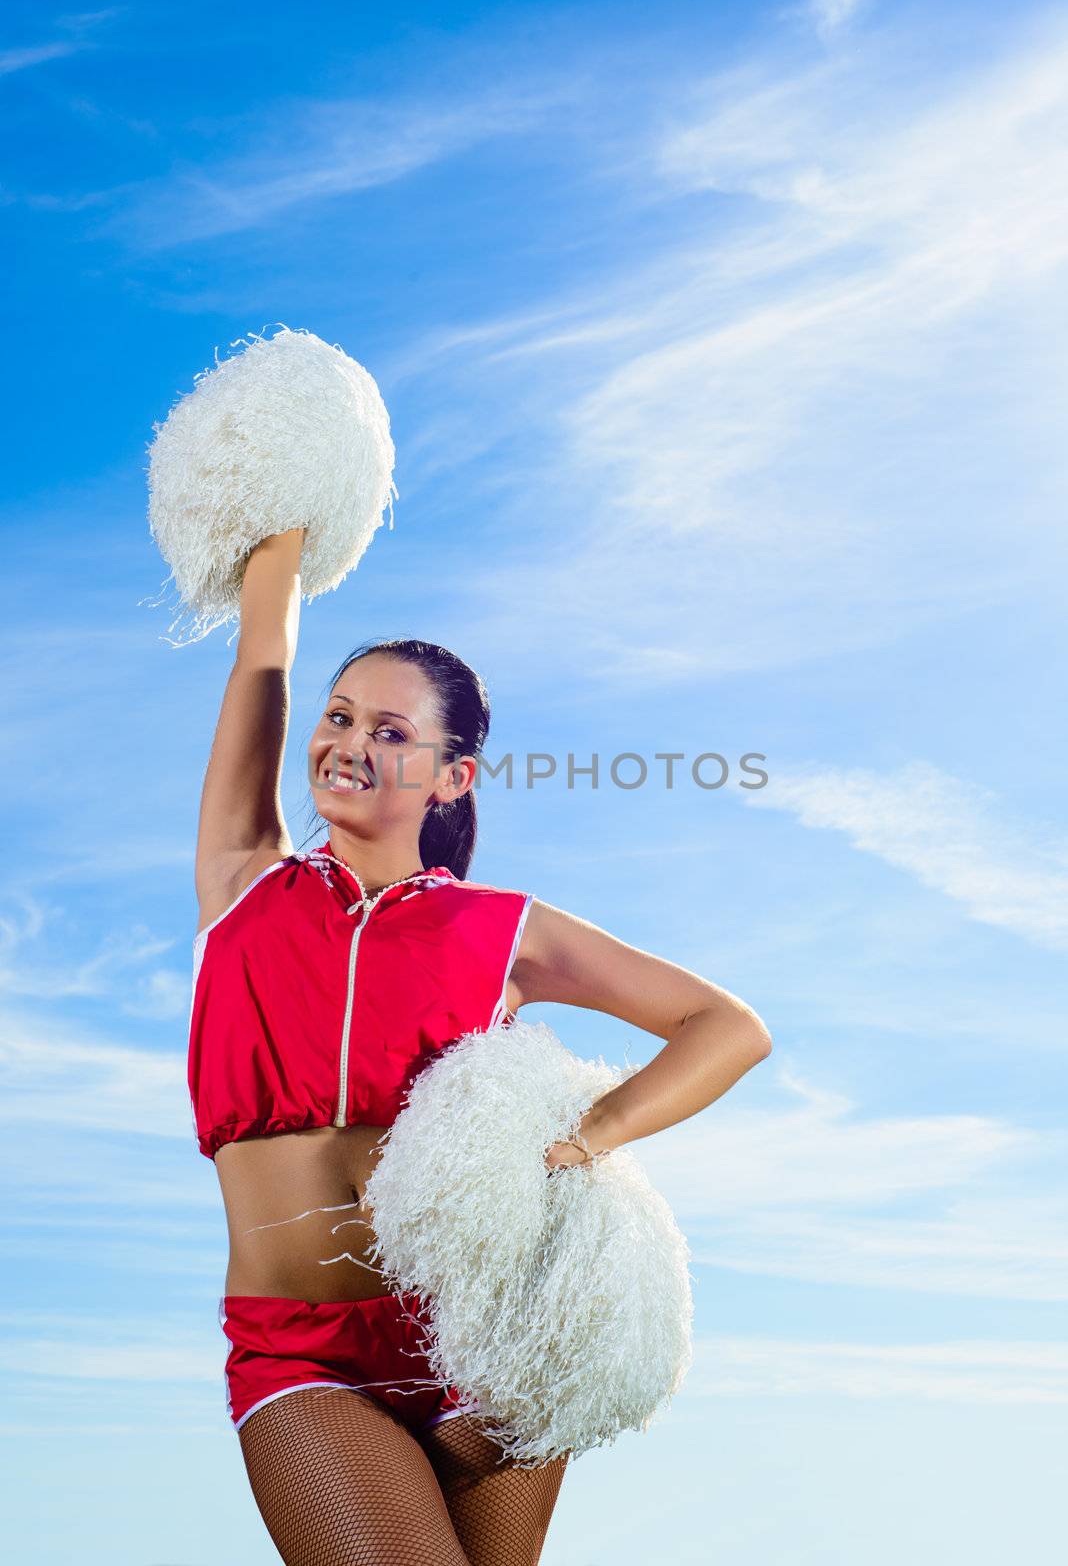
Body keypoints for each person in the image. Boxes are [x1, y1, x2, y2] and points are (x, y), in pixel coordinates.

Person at [188, 526, 773, 1566]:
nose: (348, 740)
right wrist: (282, 519)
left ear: (451, 778)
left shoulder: (503, 929)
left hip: (488, 1349)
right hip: (299, 1351)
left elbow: (728, 1028)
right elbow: (261, 659)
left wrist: (594, 1134)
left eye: (389, 729)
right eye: (338, 716)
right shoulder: (245, 884)